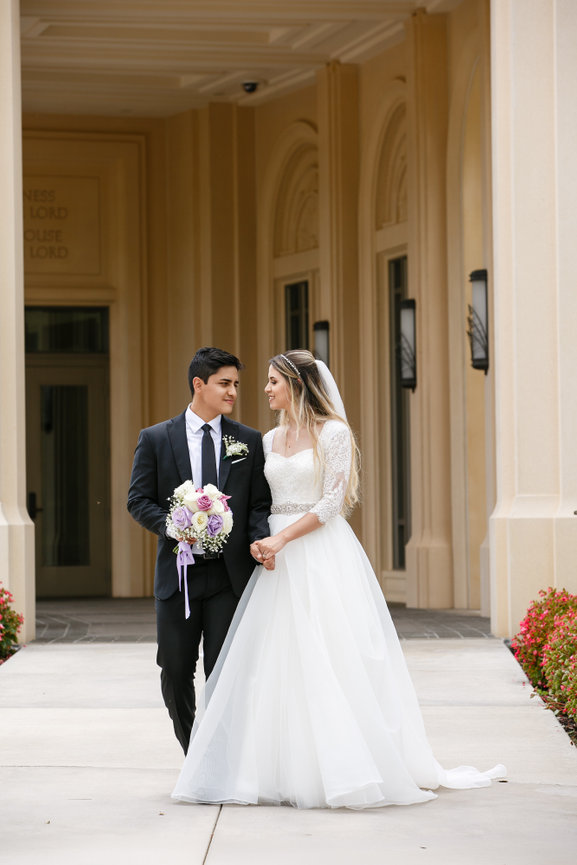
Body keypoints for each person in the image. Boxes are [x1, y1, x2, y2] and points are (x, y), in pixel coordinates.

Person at [171, 349, 505, 808]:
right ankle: (272, 770)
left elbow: (332, 503)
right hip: (273, 558)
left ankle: (342, 767)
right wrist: (258, 541)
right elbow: (260, 502)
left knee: (328, 655)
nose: (265, 390)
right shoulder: (267, 440)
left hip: (318, 553)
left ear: (296, 384)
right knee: (276, 663)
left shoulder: (334, 434)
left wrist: (283, 538)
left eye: (273, 381)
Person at [127, 347, 271, 754]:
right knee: (174, 669)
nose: (233, 393)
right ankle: (194, 753)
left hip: (229, 578)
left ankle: (219, 759)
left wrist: (259, 537)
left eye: (236, 385)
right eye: (225, 384)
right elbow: (138, 501)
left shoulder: (247, 440)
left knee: (223, 672)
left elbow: (258, 503)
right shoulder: (156, 438)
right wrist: (174, 525)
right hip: (179, 576)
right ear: (199, 384)